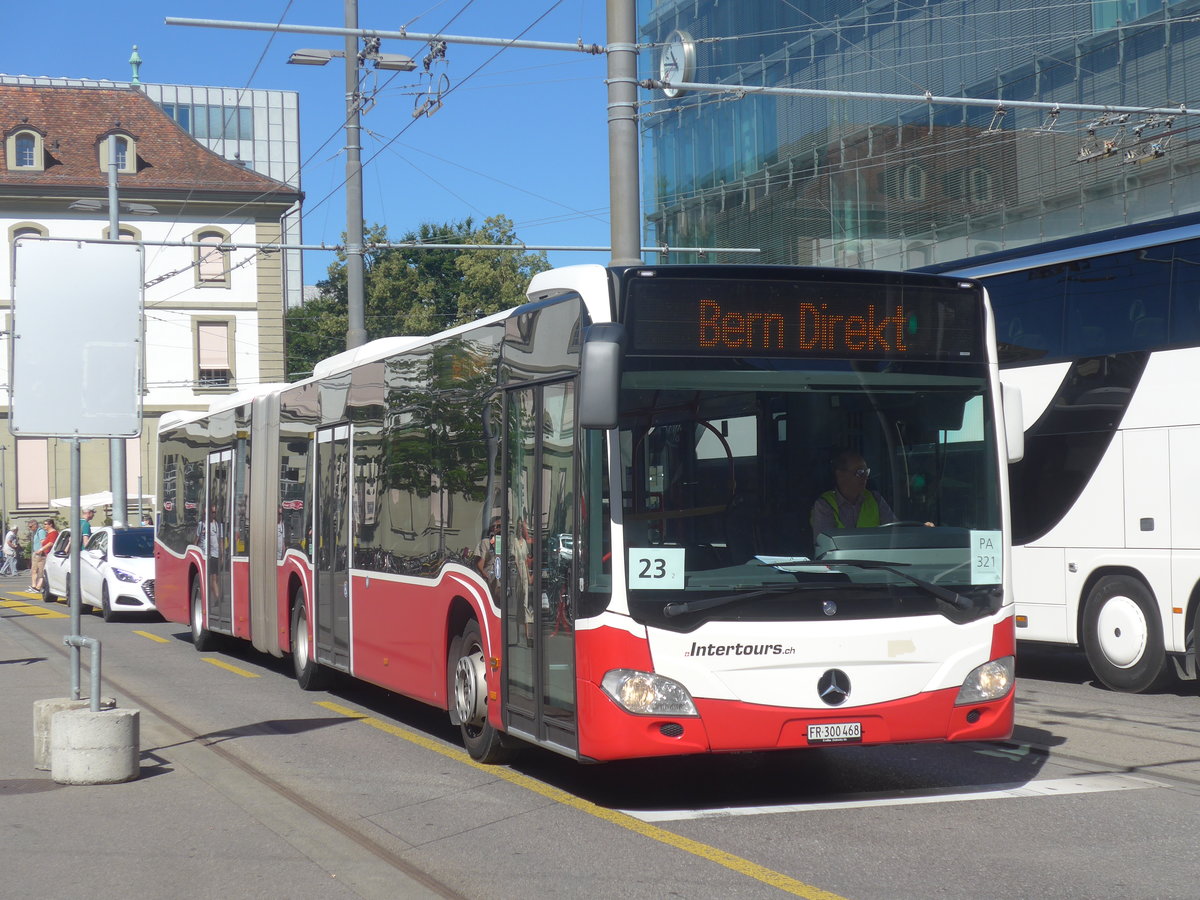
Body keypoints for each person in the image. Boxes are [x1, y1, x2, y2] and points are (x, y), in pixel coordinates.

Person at [810, 450, 896, 535]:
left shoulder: (875, 499)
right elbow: (826, 545)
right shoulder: (824, 505)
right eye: (860, 472)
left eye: (866, 472)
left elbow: (895, 533)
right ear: (840, 475)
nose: (865, 477)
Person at [31, 519, 58, 592]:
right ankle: (38, 586)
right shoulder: (48, 533)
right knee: (40, 571)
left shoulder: (53, 533)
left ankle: (38, 587)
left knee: (42, 571)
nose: (44, 526)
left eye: (46, 524)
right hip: (45, 554)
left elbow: (51, 543)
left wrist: (41, 549)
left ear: (50, 525)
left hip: (48, 554)